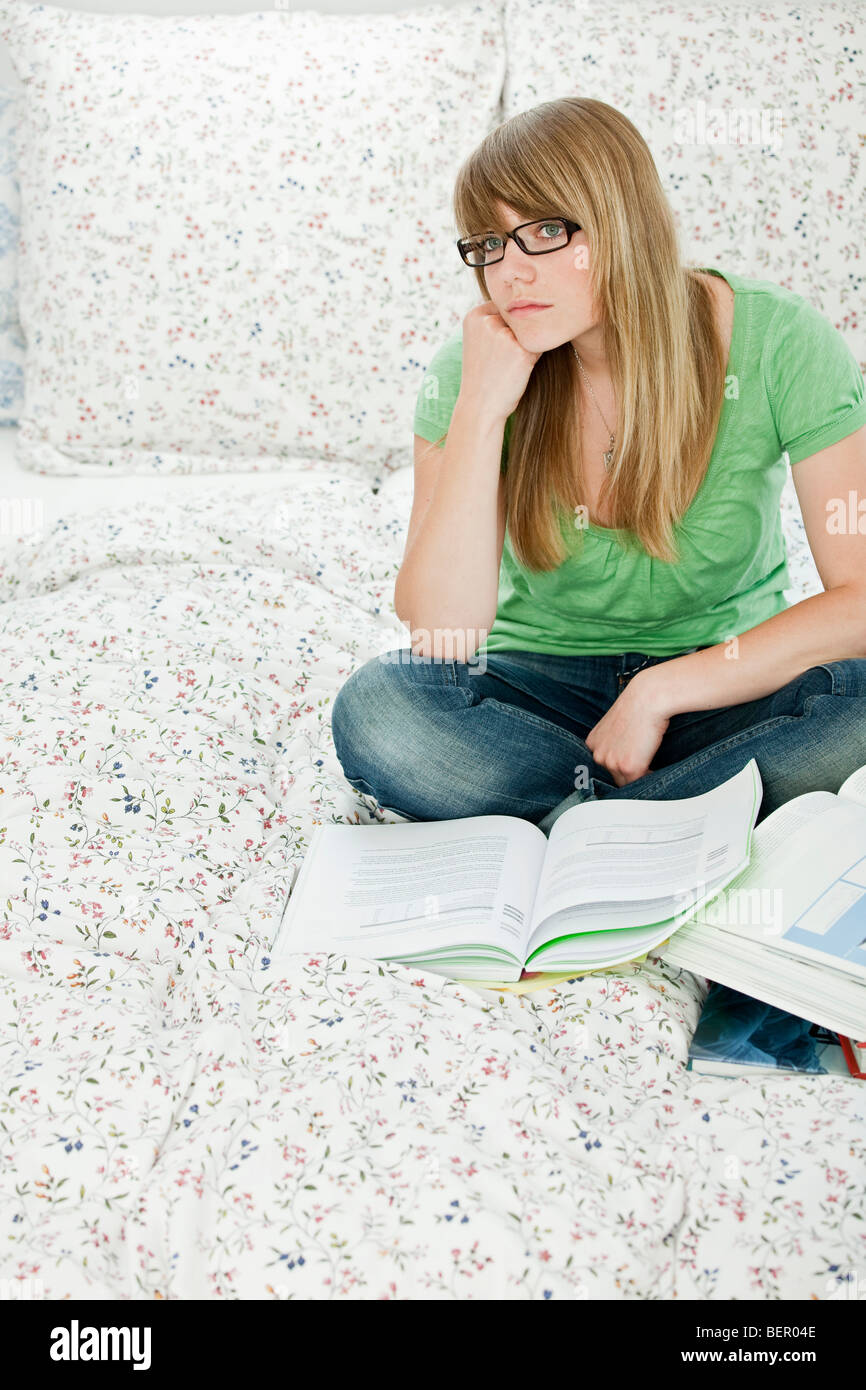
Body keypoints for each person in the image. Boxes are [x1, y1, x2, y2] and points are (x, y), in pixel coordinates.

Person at [331, 97, 866, 837]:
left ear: (622, 220)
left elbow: (860, 599)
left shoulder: (778, 339)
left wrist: (660, 691)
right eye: (488, 244)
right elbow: (442, 634)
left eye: (545, 231)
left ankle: (581, 827)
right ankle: (680, 819)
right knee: (380, 710)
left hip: (727, 682)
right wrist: (483, 409)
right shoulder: (474, 369)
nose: (509, 275)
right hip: (539, 695)